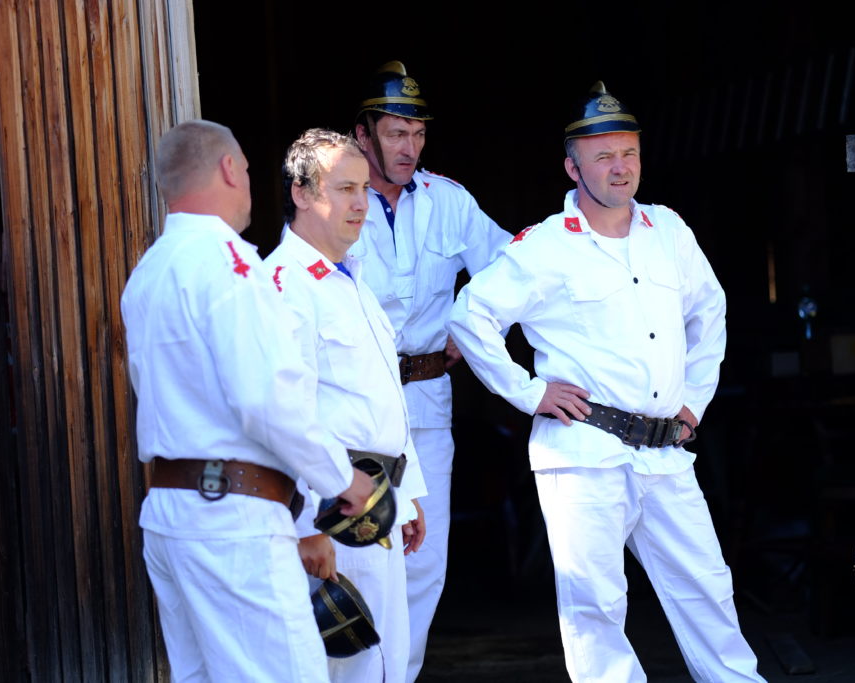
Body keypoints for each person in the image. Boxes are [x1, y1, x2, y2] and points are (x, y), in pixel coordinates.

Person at [447, 83, 765, 682]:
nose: (620, 168)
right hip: (585, 451)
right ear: (573, 168)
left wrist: (695, 402)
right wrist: (529, 392)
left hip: (665, 450)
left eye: (629, 153)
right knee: (596, 607)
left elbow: (710, 312)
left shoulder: (668, 230)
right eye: (603, 157)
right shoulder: (546, 246)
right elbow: (470, 316)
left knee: (708, 590)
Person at [120, 119, 373, 682]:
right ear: (230, 169)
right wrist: (340, 477)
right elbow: (265, 399)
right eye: (249, 170)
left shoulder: (149, 270)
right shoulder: (228, 263)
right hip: (232, 518)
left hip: (171, 514)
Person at [349, 61, 512, 679]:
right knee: (359, 556)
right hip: (356, 406)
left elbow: (513, 271)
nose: (409, 148)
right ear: (363, 134)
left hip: (425, 399)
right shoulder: (335, 199)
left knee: (423, 561)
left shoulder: (449, 200)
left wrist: (472, 328)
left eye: (417, 135)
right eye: (396, 133)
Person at [265, 128, 429, 682]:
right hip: (333, 512)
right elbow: (282, 413)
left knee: (385, 664)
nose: (361, 204)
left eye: (364, 189)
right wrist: (306, 526)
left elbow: (382, 395)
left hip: (379, 501)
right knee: (348, 670)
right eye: (344, 189)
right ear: (302, 192)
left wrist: (409, 493)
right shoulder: (286, 285)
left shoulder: (352, 278)